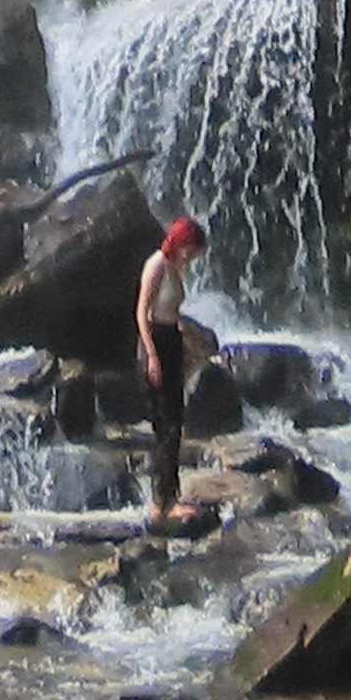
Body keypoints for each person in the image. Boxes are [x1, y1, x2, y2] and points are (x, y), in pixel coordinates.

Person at [136, 212, 208, 520]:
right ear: (180, 243)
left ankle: (170, 495)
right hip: (154, 342)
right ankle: (161, 503)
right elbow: (142, 312)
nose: (194, 256)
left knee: (175, 420)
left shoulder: (177, 268)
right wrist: (152, 356)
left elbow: (172, 312)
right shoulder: (157, 266)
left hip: (171, 341)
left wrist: (189, 341)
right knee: (165, 423)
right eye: (192, 248)